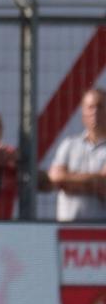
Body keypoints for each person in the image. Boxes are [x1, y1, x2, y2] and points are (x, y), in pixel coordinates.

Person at [48, 87, 106, 221]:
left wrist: (69, 180)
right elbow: (56, 179)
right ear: (83, 112)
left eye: (100, 107)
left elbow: (104, 184)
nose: (95, 112)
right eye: (90, 107)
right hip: (68, 227)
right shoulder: (69, 145)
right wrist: (96, 180)